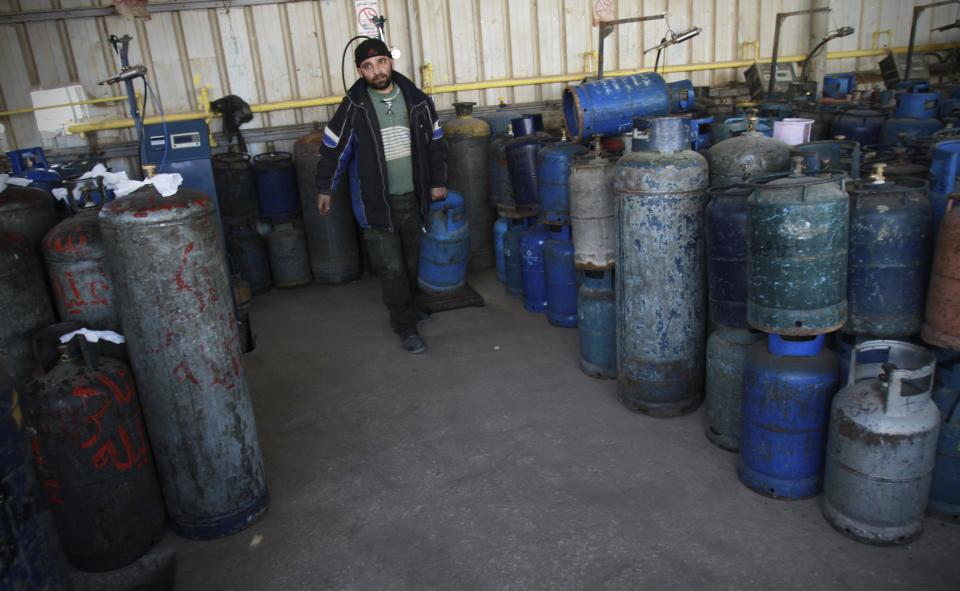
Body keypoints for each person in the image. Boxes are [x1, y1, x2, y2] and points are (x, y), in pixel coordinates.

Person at [314, 37, 447, 354]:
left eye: (381, 62)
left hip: (413, 199)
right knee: (392, 269)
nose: (376, 71)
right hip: (375, 205)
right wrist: (324, 187)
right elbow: (334, 151)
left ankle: (410, 308)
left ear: (391, 62)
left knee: (412, 262)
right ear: (360, 71)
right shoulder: (354, 107)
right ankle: (404, 327)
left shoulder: (417, 101)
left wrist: (438, 181)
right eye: (368, 66)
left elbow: (436, 143)